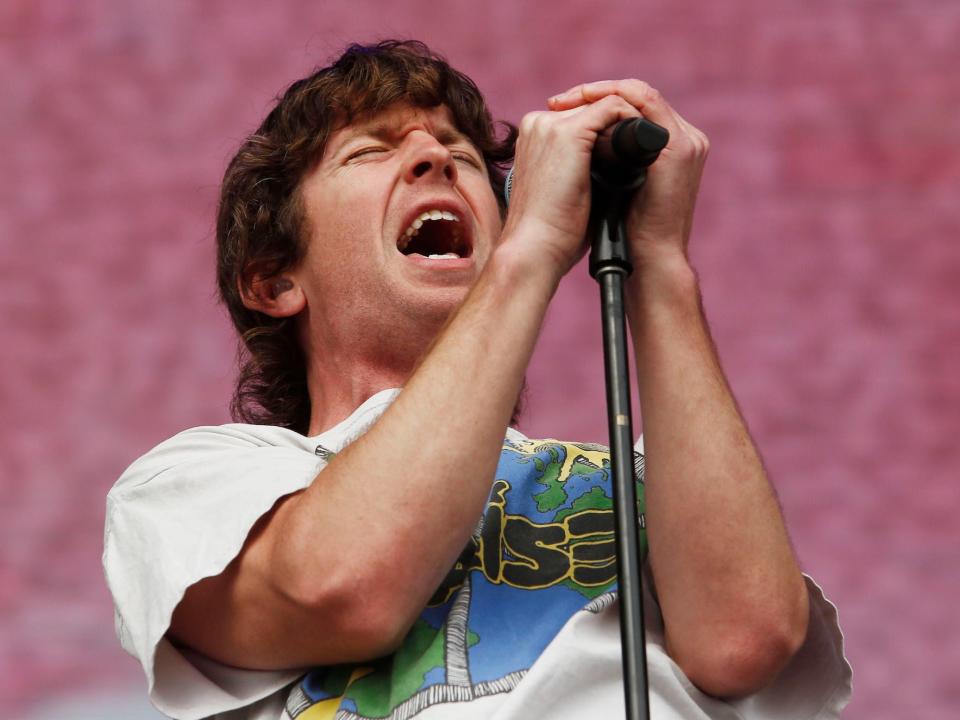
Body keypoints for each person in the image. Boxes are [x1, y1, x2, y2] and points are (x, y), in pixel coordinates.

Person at [103, 41, 850, 719]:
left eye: (459, 148)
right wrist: (529, 252)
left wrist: (657, 262)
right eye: (369, 152)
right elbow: (344, 589)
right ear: (273, 282)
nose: (436, 158)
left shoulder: (642, 480)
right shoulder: (195, 486)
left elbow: (746, 643)